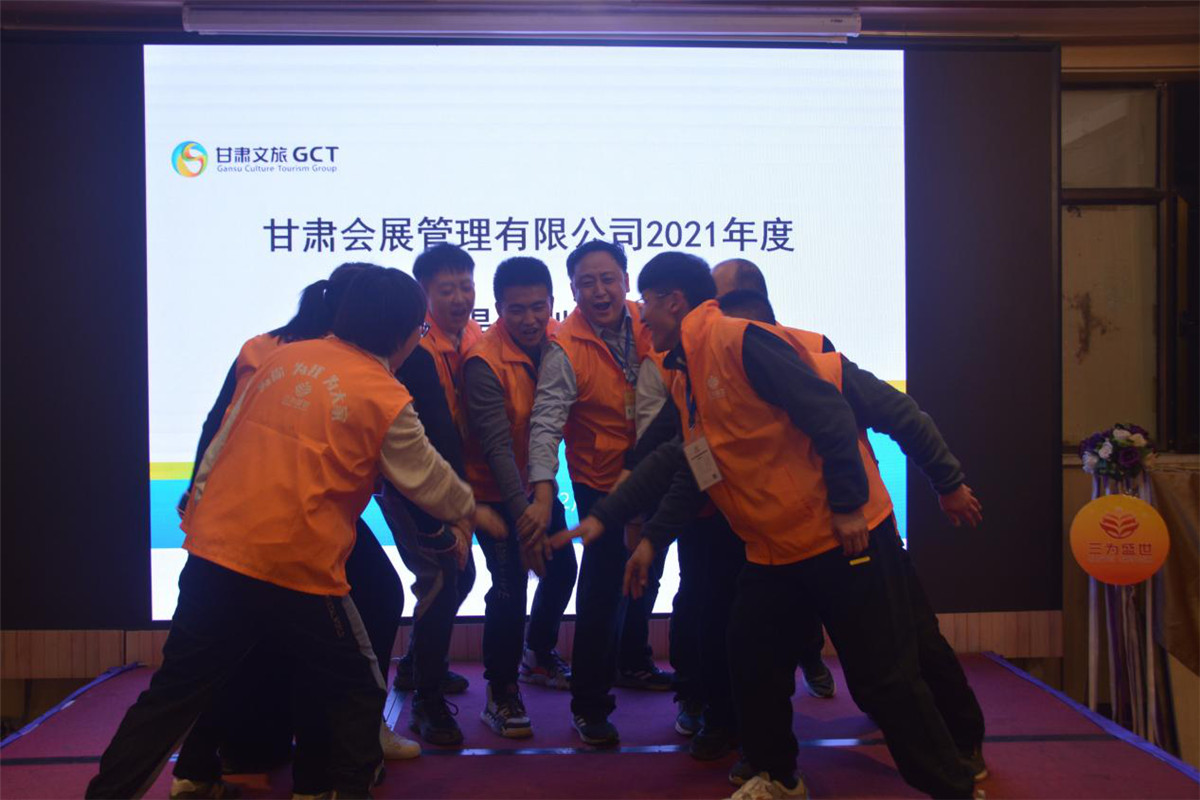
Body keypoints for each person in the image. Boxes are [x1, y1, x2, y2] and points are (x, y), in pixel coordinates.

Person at [551, 252, 978, 799]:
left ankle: (953, 787)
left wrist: (850, 503)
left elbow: (831, 413)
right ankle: (778, 776)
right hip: (774, 551)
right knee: (750, 658)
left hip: (839, 538)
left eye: (646, 303)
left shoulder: (741, 341)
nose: (641, 314)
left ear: (673, 302)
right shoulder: (686, 372)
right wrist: (609, 520)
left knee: (883, 679)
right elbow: (679, 461)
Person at [87, 268, 501, 799]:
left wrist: (198, 514)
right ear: (403, 333)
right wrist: (472, 512)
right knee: (356, 688)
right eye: (420, 330)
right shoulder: (383, 393)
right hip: (297, 565)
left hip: (215, 549)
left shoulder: (280, 359)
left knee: (174, 691)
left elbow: (221, 440)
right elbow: (426, 477)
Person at [170, 263, 417, 800]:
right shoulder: (333, 361)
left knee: (222, 642)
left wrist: (197, 494)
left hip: (236, 518)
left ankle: (199, 767)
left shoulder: (268, 347)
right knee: (355, 618)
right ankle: (332, 764)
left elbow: (215, 426)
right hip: (293, 522)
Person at [525, 240, 665, 746]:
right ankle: (589, 705)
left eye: (608, 279)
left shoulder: (652, 322)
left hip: (657, 472)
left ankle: (633, 660)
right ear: (573, 290)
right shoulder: (564, 346)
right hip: (600, 485)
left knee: (648, 572)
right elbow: (546, 425)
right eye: (587, 283)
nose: (600, 291)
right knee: (604, 591)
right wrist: (543, 491)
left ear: (626, 279)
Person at [461, 256, 578, 738]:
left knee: (563, 568)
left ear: (552, 303)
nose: (530, 319)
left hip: (535, 487)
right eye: (516, 310)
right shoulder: (482, 362)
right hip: (492, 493)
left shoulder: (559, 343)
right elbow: (495, 448)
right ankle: (501, 691)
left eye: (538, 307)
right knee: (510, 588)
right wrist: (525, 518)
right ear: (498, 309)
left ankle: (538, 654)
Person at [383, 243, 482, 748]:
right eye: (447, 290)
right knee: (443, 577)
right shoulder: (414, 350)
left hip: (447, 482)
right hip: (414, 488)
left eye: (466, 286)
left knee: (456, 576)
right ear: (422, 295)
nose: (460, 298)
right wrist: (459, 510)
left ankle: (420, 666)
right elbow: (436, 434)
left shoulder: (471, 339)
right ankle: (425, 701)